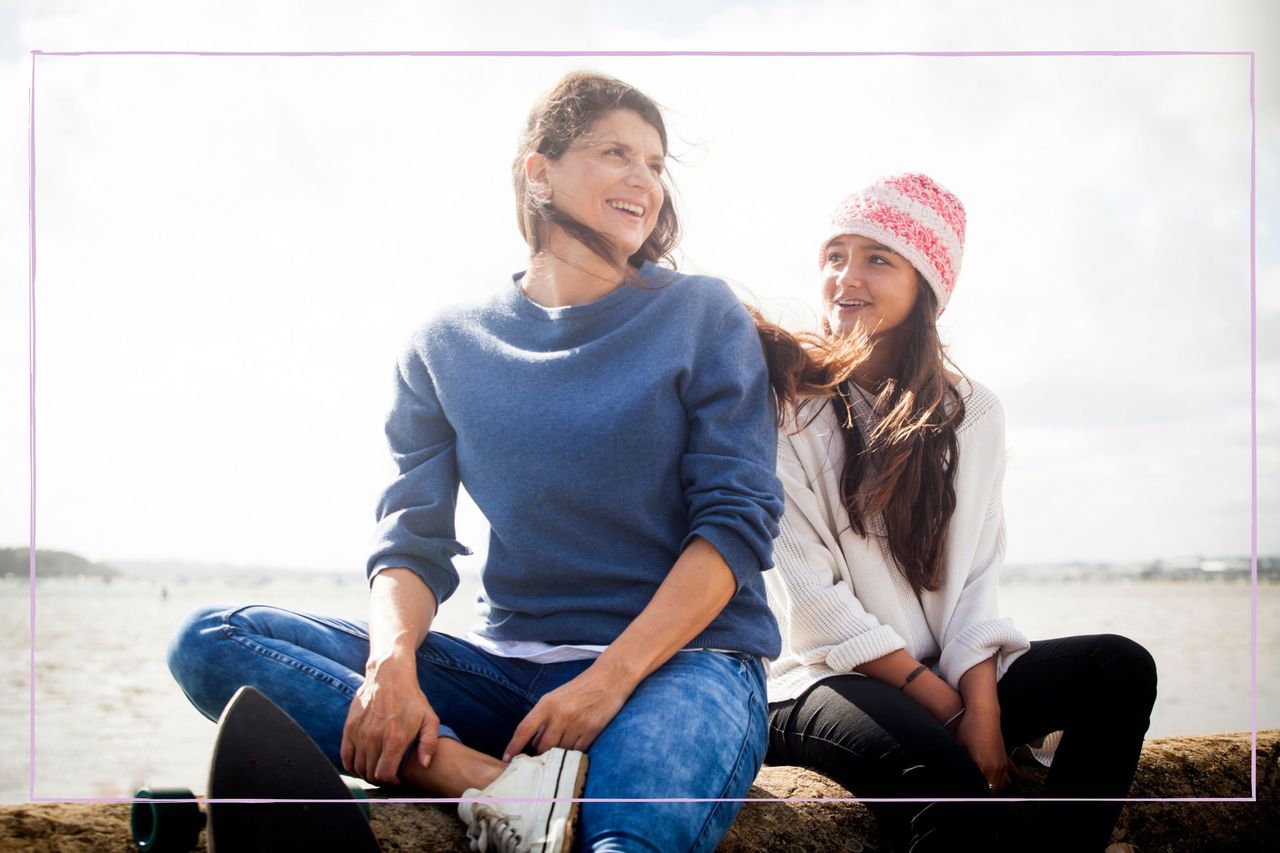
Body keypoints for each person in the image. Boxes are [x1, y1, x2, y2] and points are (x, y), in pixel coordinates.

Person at [167, 71, 785, 853]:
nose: (644, 180)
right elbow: (411, 538)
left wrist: (607, 680)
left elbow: (735, 526)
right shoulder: (446, 345)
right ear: (540, 170)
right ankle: (483, 784)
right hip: (508, 673)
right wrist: (392, 662)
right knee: (212, 639)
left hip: (684, 664)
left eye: (656, 164)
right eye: (616, 153)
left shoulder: (702, 313)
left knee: (620, 844)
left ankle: (519, 797)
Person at [755, 173, 1157, 852]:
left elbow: (976, 579)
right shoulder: (785, 404)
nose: (845, 276)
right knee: (944, 783)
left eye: (877, 258)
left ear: (926, 288)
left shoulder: (974, 413)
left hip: (938, 669)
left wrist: (986, 703)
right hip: (814, 676)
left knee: (1120, 668)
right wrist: (954, 709)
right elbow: (812, 605)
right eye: (835, 255)